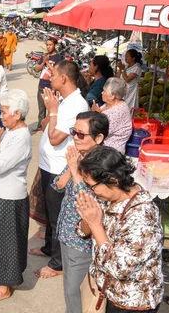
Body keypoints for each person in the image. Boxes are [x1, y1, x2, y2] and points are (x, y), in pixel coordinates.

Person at [75, 147, 163, 313]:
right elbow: (82, 232)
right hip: (104, 291)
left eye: (91, 186)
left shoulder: (143, 216)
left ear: (113, 181)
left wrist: (95, 224)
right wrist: (87, 218)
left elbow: (119, 268)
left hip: (130, 302)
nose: (90, 191)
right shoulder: (108, 197)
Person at [30, 60, 89, 280]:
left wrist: (53, 112)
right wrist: (51, 110)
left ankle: (57, 263)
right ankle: (48, 249)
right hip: (48, 165)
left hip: (59, 169)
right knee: (49, 212)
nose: (49, 78)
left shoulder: (76, 105)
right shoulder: (64, 101)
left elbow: (55, 138)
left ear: (63, 78)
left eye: (53, 74)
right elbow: (46, 125)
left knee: (58, 217)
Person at [52, 111, 109, 313]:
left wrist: (75, 171)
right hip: (66, 233)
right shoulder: (79, 157)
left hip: (82, 241)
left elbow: (88, 203)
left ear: (99, 138)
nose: (75, 137)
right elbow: (58, 185)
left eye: (81, 134)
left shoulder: (103, 165)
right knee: (69, 288)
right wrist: (71, 167)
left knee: (76, 291)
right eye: (73, 132)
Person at [0, 90, 32, 303]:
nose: (1, 116)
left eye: (4, 112)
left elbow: (0, 165)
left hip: (9, 196)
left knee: (5, 242)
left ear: (17, 114)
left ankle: (4, 286)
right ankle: (7, 280)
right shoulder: (12, 131)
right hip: (0, 192)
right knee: (2, 239)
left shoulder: (21, 136)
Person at [91, 78, 132, 154]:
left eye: (104, 91)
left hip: (110, 153)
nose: (102, 93)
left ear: (113, 95)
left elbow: (99, 130)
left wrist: (95, 114)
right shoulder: (109, 103)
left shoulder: (118, 111)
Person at [34, 38, 64, 131]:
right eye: (47, 44)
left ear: (55, 45)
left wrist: (47, 62)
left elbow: (56, 72)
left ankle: (50, 127)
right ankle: (40, 126)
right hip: (41, 85)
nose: (48, 46)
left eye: (50, 44)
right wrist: (43, 61)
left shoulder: (59, 58)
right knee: (41, 109)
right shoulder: (44, 56)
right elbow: (37, 69)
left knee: (51, 109)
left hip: (52, 87)